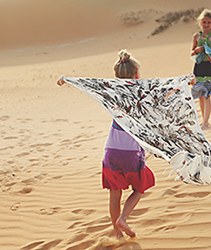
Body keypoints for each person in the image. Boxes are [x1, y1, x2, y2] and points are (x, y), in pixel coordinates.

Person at [58, 50, 155, 238]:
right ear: (136, 75)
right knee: (140, 187)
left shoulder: (110, 91)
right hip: (132, 150)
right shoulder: (142, 92)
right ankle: (123, 218)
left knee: (114, 193)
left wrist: (67, 80)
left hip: (112, 149)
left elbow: (90, 85)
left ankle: (116, 232)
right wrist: (187, 83)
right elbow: (164, 91)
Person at [190, 9, 211, 130]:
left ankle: (205, 122)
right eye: (204, 22)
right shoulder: (196, 36)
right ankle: (204, 121)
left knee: (207, 95)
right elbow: (192, 53)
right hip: (199, 67)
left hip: (210, 67)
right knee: (200, 95)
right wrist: (196, 50)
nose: (206, 24)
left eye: (209, 22)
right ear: (200, 22)